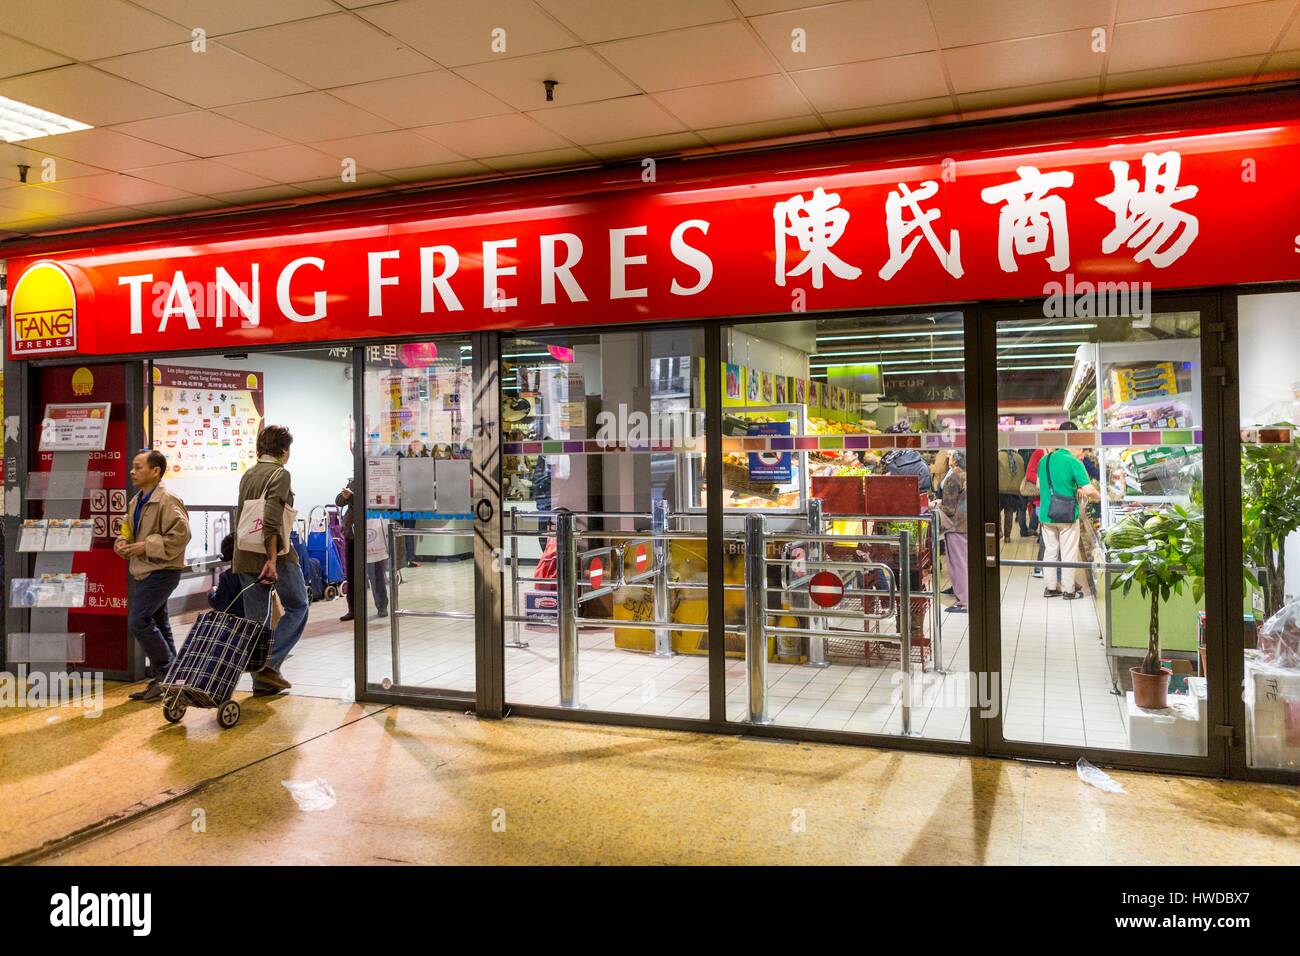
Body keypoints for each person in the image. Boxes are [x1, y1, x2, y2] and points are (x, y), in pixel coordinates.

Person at [234, 425, 309, 696]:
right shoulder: (281, 474)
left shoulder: (248, 474)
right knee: (298, 605)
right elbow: (272, 521)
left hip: (244, 555)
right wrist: (272, 560)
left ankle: (263, 684)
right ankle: (269, 662)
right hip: (276, 555)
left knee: (257, 622)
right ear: (284, 451)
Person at [115, 450, 191, 701]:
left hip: (163, 570)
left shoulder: (168, 499)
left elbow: (181, 536)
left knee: (139, 620)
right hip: (145, 570)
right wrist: (122, 541)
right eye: (132, 467)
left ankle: (167, 673)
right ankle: (174, 680)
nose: (132, 472)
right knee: (159, 623)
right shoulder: (137, 501)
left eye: (138, 467)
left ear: (155, 471)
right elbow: (127, 528)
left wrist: (146, 546)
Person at [1036, 424, 1101, 601]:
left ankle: (1050, 588)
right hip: (1066, 515)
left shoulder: (1045, 460)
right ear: (1077, 446)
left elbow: (1038, 485)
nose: (1082, 455)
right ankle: (1068, 590)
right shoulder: (1073, 462)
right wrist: (1101, 497)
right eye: (1082, 451)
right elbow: (1088, 489)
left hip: (1046, 514)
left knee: (1050, 551)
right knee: (1068, 553)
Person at [337, 477, 388, 622]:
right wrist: (345, 496)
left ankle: (382, 606)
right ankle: (353, 609)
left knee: (376, 572)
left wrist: (352, 498)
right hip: (353, 533)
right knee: (352, 573)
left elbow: (371, 505)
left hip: (372, 532)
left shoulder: (378, 481)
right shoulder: (353, 481)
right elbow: (339, 501)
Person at [938, 450, 968, 613]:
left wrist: (935, 505)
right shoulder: (968, 475)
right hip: (970, 524)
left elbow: (949, 508)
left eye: (951, 456)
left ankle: (964, 601)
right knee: (966, 563)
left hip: (957, 526)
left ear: (955, 460)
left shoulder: (953, 477)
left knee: (958, 564)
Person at [208, 533, 244, 617]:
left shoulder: (227, 577)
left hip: (236, 622)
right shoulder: (257, 572)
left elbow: (219, 604)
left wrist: (212, 593)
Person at [997, 448, 1029, 542]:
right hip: (1014, 491)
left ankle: (999, 531)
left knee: (996, 512)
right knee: (1009, 513)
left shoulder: (998, 456)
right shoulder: (1019, 457)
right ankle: (1007, 536)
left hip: (1000, 489)